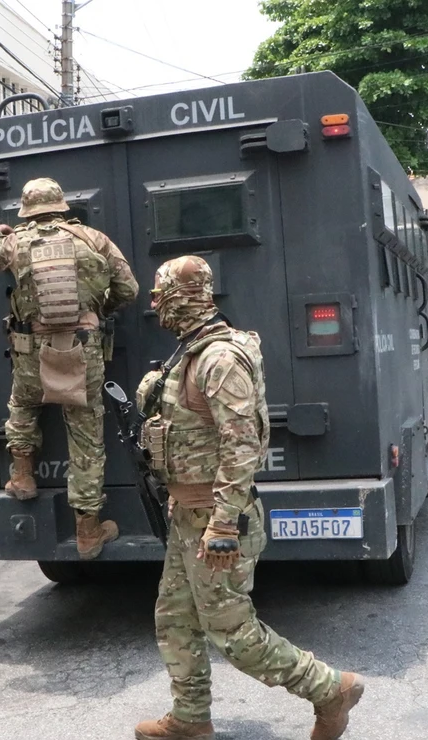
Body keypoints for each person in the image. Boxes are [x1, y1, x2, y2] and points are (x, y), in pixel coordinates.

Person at [132, 256, 364, 740]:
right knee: (175, 617)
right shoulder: (190, 352)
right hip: (188, 514)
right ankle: (191, 719)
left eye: (159, 296)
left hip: (217, 522)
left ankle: (329, 689)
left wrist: (220, 523)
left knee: (232, 633)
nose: (154, 306)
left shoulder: (218, 358)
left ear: (180, 296)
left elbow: (242, 445)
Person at [0, 177, 139, 560]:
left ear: (27, 210)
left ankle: (23, 477)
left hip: (29, 349)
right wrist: (98, 311)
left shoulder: (14, 242)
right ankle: (89, 532)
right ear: (60, 206)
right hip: (82, 348)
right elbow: (129, 289)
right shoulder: (94, 239)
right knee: (87, 438)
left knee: (23, 404)